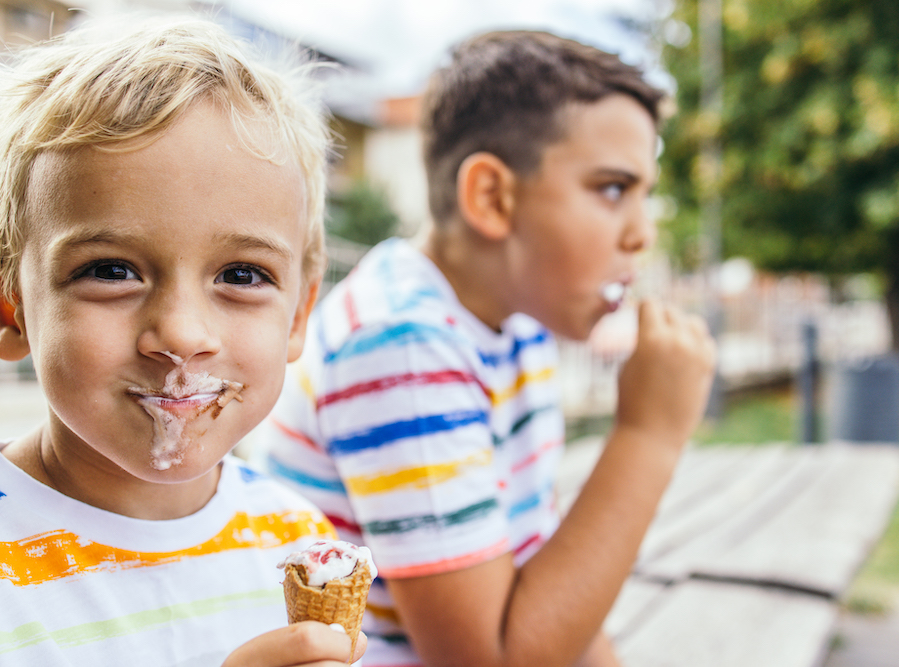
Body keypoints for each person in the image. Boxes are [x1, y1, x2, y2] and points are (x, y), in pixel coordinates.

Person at [260, 29, 717, 667]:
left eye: (645, 193)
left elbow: (549, 583)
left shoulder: (517, 323)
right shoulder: (402, 346)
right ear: (493, 198)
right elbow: (496, 658)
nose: (643, 232)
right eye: (614, 189)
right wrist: (648, 436)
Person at [0, 17, 366, 667]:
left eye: (241, 275)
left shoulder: (300, 545)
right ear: (13, 308)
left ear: (297, 317)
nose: (183, 335)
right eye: (110, 270)